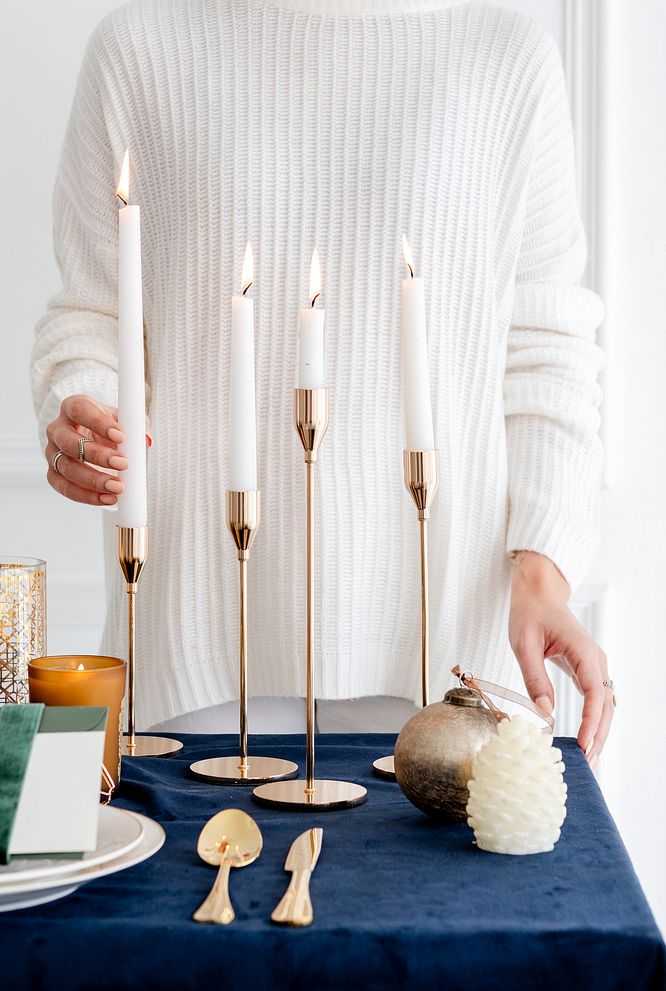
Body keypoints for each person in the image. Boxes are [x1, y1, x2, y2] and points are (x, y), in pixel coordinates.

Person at [32, 0, 612, 758]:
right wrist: (85, 408)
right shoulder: (141, 47)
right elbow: (93, 316)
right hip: (201, 664)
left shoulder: (505, 55)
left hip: (448, 672)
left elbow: (547, 349)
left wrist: (544, 572)